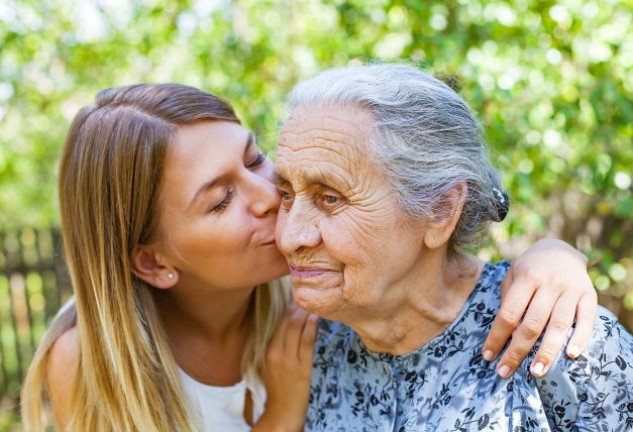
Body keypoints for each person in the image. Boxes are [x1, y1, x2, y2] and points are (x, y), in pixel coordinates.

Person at [21, 83, 597, 432]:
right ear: (151, 262)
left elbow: (414, 241)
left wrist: (555, 256)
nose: (271, 198)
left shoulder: (324, 293)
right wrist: (282, 416)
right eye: (221, 201)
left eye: (253, 160)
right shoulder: (90, 362)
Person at [274, 63, 633, 430]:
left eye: (330, 199)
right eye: (285, 195)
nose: (289, 237)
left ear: (440, 211)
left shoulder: (561, 340)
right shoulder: (300, 347)